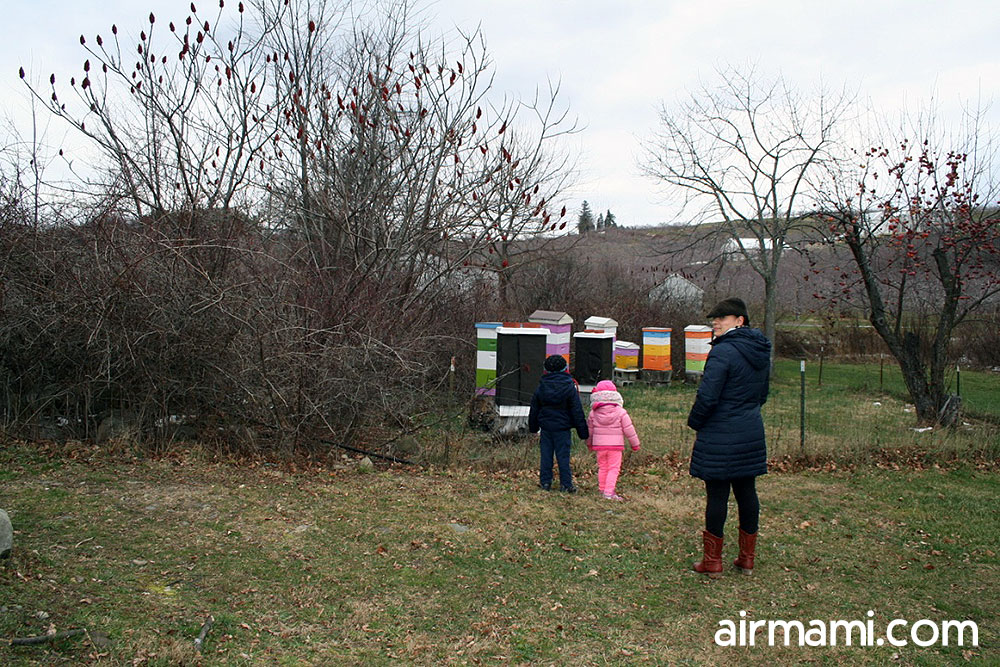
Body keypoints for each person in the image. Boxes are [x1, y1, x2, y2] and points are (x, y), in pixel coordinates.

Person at [687, 297, 771, 578]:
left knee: (718, 494)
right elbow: (762, 395)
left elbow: (707, 396)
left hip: (720, 431)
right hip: (749, 429)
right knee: (747, 492)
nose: (715, 322)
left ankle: (712, 562)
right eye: (714, 319)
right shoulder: (759, 350)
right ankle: (746, 559)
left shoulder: (723, 352)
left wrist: (695, 421)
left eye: (722, 318)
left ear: (740, 321)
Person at [528, 354, 589, 493]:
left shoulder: (541, 387)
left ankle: (545, 482)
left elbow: (534, 409)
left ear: (545, 370)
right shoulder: (569, 387)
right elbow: (577, 411)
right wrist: (583, 432)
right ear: (565, 369)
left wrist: (533, 427)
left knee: (546, 456)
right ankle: (566, 484)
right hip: (562, 429)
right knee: (563, 457)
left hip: (546, 428)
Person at [586, 380, 641, 500]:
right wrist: (635, 444)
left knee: (603, 467)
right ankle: (609, 492)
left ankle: (602, 489)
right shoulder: (621, 412)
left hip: (599, 445)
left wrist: (589, 444)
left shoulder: (593, 413)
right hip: (615, 446)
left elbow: (590, 431)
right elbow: (629, 430)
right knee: (613, 468)